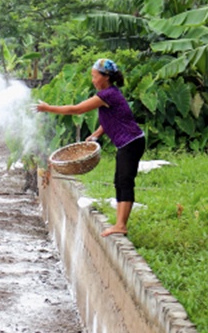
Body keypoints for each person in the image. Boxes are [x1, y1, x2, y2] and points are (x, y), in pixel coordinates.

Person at [35, 58, 145, 237]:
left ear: (106, 77)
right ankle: (119, 223)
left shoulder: (107, 95)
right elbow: (114, 118)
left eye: (95, 76)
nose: (93, 80)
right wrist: (97, 134)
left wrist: (48, 108)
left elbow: (77, 110)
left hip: (131, 142)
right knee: (119, 181)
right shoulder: (110, 94)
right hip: (128, 143)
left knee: (125, 182)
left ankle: (121, 225)